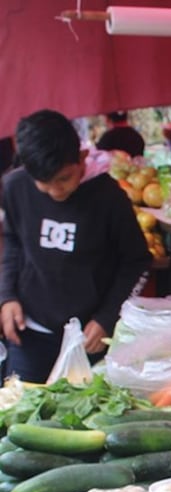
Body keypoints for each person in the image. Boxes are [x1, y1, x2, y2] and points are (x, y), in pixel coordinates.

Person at [0, 110, 151, 382]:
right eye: (45, 185)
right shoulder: (14, 187)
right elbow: (13, 242)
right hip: (30, 331)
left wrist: (107, 317)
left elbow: (137, 261)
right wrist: (7, 295)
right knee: (16, 415)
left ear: (81, 157)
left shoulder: (109, 197)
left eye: (64, 178)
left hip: (88, 338)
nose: (57, 190)